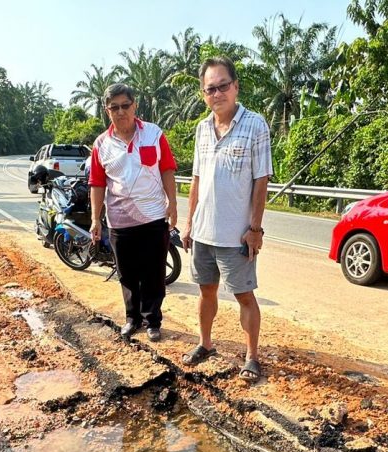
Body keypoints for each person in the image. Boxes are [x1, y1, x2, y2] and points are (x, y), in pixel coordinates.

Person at [180, 56, 272, 382]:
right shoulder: (202, 129)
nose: (217, 93)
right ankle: (205, 343)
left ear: (235, 87)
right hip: (203, 232)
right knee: (206, 292)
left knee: (244, 296)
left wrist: (255, 229)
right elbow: (196, 179)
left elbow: (261, 180)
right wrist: (189, 223)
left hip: (237, 236)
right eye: (210, 89)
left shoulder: (255, 125)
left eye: (223, 86)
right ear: (203, 94)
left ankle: (252, 357)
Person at [88, 83, 178, 342]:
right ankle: (132, 319)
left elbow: (167, 169)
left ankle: (152, 321)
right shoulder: (101, 144)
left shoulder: (153, 134)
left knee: (154, 272)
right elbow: (97, 183)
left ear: (134, 105)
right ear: (107, 111)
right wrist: (95, 219)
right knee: (127, 274)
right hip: (119, 221)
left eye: (125, 105)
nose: (120, 112)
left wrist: (172, 203)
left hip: (153, 217)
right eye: (114, 107)